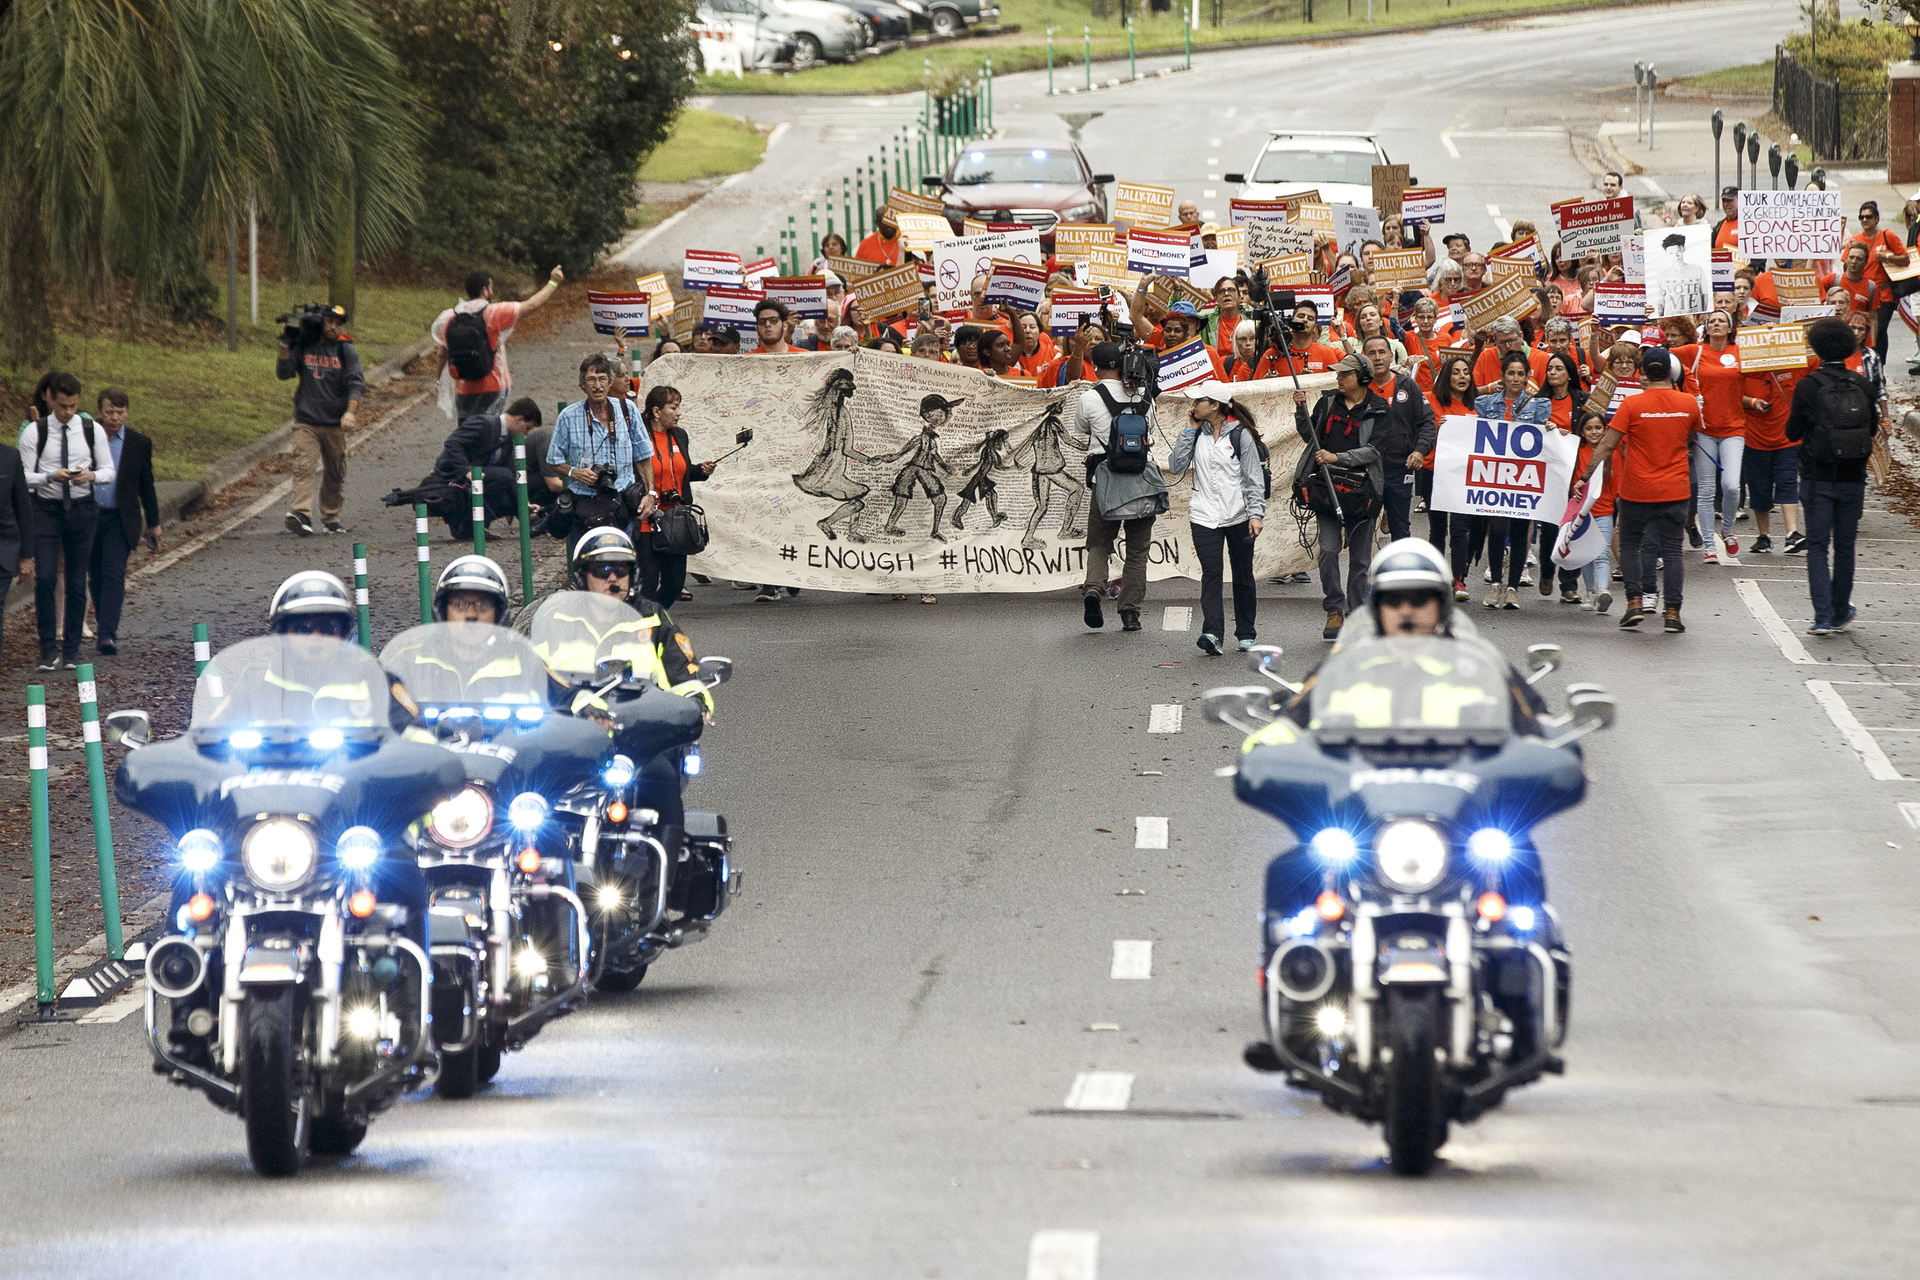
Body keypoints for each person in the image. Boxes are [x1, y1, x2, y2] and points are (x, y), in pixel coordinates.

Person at [1577, 346, 1702, 634]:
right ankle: (1672, 612)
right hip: (1676, 489)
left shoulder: (1631, 405)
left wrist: (1585, 475)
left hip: (1637, 490)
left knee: (1631, 545)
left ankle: (1634, 602)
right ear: (1670, 372)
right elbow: (1692, 436)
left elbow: (1607, 444)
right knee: (1672, 551)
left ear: (1642, 372)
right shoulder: (1689, 403)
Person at [1787, 317, 1879, 636]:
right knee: (1845, 545)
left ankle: (1822, 615)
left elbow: (1792, 432)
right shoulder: (1863, 385)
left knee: (1816, 545)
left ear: (1815, 347)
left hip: (1817, 477)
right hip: (1854, 478)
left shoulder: (1808, 385)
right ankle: (1841, 609)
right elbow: (1871, 429)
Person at [19, 371, 114, 670]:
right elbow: (22, 477)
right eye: (62, 406)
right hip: (47, 509)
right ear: (50, 399)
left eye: (73, 406)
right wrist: (50, 476)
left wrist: (91, 476)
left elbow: (109, 470)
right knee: (45, 577)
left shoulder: (90, 430)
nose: (68, 412)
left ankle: (71, 650)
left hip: (83, 509)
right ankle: (48, 648)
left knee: (76, 580)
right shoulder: (35, 432)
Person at [1167, 382, 1266, 655]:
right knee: (1211, 573)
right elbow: (1176, 465)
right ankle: (1212, 633)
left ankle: (1246, 633)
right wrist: (1189, 430)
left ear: (1215, 405)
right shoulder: (1196, 432)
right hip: (1203, 515)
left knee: (1243, 574)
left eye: (1200, 400)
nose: (1194, 405)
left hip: (1238, 515)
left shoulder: (1242, 435)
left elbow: (1252, 478)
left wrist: (1256, 514)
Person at [1294, 353, 1386, 640]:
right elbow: (1310, 436)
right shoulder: (1327, 402)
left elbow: (1373, 451)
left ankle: (1357, 612)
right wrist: (1300, 410)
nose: (1338, 378)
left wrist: (1338, 457)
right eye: (1338, 374)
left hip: (1363, 492)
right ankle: (1334, 608)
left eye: (1345, 374)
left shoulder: (1379, 409)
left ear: (1362, 377)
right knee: (1329, 550)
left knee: (1360, 560)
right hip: (1326, 491)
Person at [1077, 342, 1164, 632]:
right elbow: (1150, 428)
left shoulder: (1090, 397)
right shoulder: (1144, 395)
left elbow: (1081, 429)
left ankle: (1093, 589)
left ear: (1095, 365)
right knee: (1138, 550)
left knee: (1099, 543)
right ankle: (1130, 612)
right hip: (1141, 477)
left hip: (1106, 476)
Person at [566, 526, 705, 698]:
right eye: (602, 570)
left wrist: (695, 701)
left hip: (643, 720)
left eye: (621, 571)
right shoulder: (561, 619)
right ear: (582, 578)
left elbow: (684, 673)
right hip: (577, 721)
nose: (612, 578)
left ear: (633, 576)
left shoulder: (652, 618)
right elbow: (540, 680)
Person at [545, 353, 657, 552]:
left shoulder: (627, 410)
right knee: (588, 569)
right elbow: (553, 461)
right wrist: (575, 472)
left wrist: (650, 493)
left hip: (621, 502)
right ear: (583, 384)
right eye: (591, 379)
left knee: (622, 565)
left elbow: (643, 456)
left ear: (609, 382)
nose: (597, 386)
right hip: (584, 505)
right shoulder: (568, 416)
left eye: (602, 379)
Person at [430, 265, 563, 421]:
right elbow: (532, 304)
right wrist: (553, 282)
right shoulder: (493, 313)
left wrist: (439, 380)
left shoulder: (451, 317)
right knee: (490, 436)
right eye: (491, 287)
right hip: (492, 387)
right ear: (485, 291)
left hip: (463, 389)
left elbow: (442, 355)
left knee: (467, 437)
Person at [1473, 352, 1550, 610]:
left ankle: (1512, 588)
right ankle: (1495, 582)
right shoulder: (1485, 403)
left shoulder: (1539, 406)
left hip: (1523, 480)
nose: (1515, 378)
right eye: (1510, 373)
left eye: (1520, 373)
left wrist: (1554, 430)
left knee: (1519, 533)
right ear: (1502, 376)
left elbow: (1545, 440)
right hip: (1494, 478)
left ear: (1528, 376)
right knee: (1495, 529)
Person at [277, 303, 362, 537]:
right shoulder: (305, 344)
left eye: (338, 323)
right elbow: (284, 372)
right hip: (307, 421)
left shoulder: (346, 350)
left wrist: (350, 412)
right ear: (321, 321)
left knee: (335, 472)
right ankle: (301, 514)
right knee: (303, 466)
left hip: (334, 423)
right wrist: (286, 340)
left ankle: (331, 518)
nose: (333, 326)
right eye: (329, 321)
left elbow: (356, 383)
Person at [87, 387, 159, 657]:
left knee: (114, 573)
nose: (114, 417)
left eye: (120, 412)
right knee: (94, 575)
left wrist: (153, 522)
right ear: (100, 411)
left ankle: (107, 634)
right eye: (109, 412)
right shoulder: (85, 437)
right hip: (89, 516)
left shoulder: (139, 443)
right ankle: (103, 621)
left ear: (127, 412)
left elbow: (146, 484)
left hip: (120, 518)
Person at [1673, 310, 1744, 563]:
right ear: (1705, 327)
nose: (1716, 324)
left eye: (1721, 321)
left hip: (1734, 430)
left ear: (1730, 328)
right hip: (1703, 430)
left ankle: (1727, 529)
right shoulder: (1695, 351)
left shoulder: (1741, 352)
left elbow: (1768, 364)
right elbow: (1661, 355)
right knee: (1705, 490)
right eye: (1711, 320)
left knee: (1731, 486)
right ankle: (1709, 546)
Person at [637, 384, 716, 607]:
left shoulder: (680, 435)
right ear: (655, 411)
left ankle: (653, 618)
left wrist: (701, 470)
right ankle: (641, 626)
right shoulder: (640, 437)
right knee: (648, 582)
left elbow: (681, 471)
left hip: (675, 520)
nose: (679, 412)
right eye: (673, 407)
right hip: (646, 519)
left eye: (679, 407)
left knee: (674, 583)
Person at [1362, 334, 1436, 544]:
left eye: (1382, 352)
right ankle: (1364, 576)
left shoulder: (1408, 387)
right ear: (1364, 357)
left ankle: (1401, 574)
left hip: (1399, 469)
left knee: (1400, 528)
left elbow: (1427, 421)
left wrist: (1420, 450)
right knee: (1363, 530)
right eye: (1371, 353)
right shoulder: (1359, 388)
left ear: (1391, 356)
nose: (1377, 358)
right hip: (1365, 471)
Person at [432, 397, 541, 533]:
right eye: (527, 427)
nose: (526, 433)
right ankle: (469, 524)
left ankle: (470, 527)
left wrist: (524, 503)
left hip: (481, 476)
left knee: (509, 493)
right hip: (453, 473)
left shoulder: (507, 440)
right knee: (503, 476)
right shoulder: (483, 423)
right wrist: (466, 470)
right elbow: (452, 443)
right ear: (519, 419)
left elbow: (511, 473)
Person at [1849, 201, 1908, 365]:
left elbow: (1906, 259)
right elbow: (1847, 267)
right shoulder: (1856, 240)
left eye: (1868, 217)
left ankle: (1879, 364)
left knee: (1880, 329)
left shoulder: (1887, 236)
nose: (1864, 220)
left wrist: (1887, 257)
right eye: (1861, 217)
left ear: (1876, 219)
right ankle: (1862, 363)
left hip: (1884, 293)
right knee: (1861, 329)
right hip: (1862, 292)